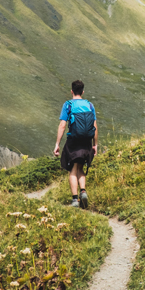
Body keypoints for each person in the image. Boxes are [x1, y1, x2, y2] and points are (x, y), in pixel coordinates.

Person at [54, 80, 97, 208]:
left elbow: (62, 125)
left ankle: (74, 200)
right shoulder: (89, 105)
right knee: (80, 167)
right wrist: (95, 144)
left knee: (73, 168)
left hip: (73, 140)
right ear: (82, 92)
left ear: (72, 91)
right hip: (87, 141)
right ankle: (83, 191)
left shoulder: (68, 105)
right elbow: (94, 126)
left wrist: (57, 144)